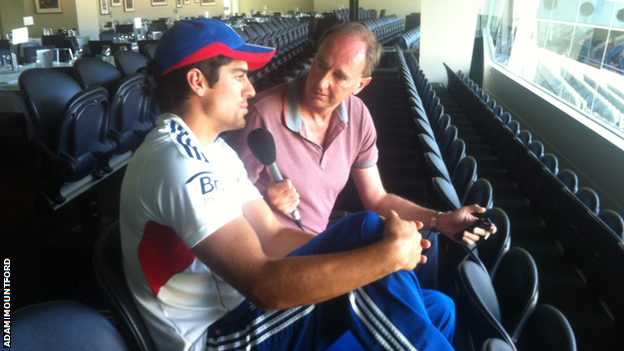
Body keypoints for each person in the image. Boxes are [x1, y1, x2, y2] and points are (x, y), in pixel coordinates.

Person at [120, 18, 459, 351]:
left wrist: (364, 253)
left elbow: (273, 234)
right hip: (218, 335)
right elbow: (263, 287)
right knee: (368, 244)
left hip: (241, 310)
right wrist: (385, 257)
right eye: (239, 76)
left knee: (434, 302)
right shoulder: (179, 163)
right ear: (197, 81)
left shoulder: (215, 151)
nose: (250, 89)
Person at [226, 22, 494, 289]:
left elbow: (376, 198)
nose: (321, 81)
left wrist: (442, 221)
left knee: (423, 242)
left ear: (360, 84)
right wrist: (262, 201)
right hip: (278, 257)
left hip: (320, 240)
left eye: (339, 76)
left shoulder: (357, 115)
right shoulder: (261, 115)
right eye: (320, 64)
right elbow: (221, 206)